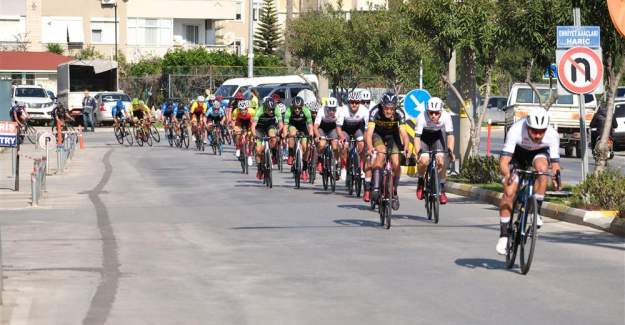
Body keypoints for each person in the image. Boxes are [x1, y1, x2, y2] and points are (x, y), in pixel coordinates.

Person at [496, 108, 561, 255]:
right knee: (509, 191)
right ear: (527, 126)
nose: (538, 135)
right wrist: (507, 175)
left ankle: (535, 211)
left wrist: (557, 179)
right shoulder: (516, 130)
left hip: (538, 154)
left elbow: (555, 164)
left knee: (543, 169)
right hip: (517, 155)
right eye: (534, 131)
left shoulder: (552, 135)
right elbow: (504, 161)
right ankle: (504, 236)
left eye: (541, 131)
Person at [365, 92, 410, 210]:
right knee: (381, 153)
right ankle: (375, 187)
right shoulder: (375, 111)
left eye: (392, 109)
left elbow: (404, 134)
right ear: (382, 106)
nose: (389, 111)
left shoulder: (400, 113)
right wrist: (370, 147)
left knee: (396, 163)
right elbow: (369, 133)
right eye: (386, 108)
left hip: (392, 136)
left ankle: (394, 192)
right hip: (377, 135)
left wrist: (406, 146)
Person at [414, 97, 455, 205]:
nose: (433, 116)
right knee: (424, 161)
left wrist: (450, 151)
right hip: (424, 137)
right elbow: (417, 137)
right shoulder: (421, 117)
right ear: (427, 111)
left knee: (441, 161)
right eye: (431, 113)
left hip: (437, 137)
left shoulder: (446, 116)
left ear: (441, 112)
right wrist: (418, 152)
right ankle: (421, 181)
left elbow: (450, 135)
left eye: (436, 113)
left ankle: (441, 189)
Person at [338, 91, 369, 184]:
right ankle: (344, 167)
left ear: (360, 103)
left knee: (362, 144)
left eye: (357, 102)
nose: (354, 104)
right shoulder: (343, 109)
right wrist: (341, 137)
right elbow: (338, 127)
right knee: (344, 145)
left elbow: (367, 128)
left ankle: (362, 167)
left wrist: (366, 138)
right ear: (348, 102)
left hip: (358, 129)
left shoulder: (364, 110)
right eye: (352, 102)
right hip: (345, 129)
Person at [283, 96, 314, 182]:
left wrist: (311, 135)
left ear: (302, 107)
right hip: (293, 126)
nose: (296, 110)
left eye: (299, 108)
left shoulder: (306, 110)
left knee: (305, 147)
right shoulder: (289, 110)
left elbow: (310, 125)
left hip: (303, 128)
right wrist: (285, 134)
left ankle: (304, 168)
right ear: (292, 106)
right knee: (292, 134)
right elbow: (285, 125)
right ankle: (291, 153)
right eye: (295, 108)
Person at [252, 97, 283, 180]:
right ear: (265, 107)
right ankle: (259, 169)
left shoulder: (276, 109)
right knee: (258, 150)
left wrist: (279, 132)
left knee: (273, 137)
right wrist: (254, 135)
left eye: (272, 110)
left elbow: (280, 124)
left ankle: (273, 153)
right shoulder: (260, 110)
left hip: (270, 126)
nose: (271, 111)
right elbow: (253, 125)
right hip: (260, 128)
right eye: (269, 110)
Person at [314, 97, 341, 179]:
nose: (332, 111)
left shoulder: (340, 111)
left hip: (333, 128)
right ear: (326, 108)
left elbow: (340, 126)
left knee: (335, 145)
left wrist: (340, 136)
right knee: (322, 144)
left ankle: (336, 165)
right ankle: (319, 158)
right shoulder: (321, 110)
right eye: (330, 109)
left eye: (333, 109)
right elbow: (315, 126)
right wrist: (318, 136)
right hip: (322, 128)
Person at [232, 99, 256, 166]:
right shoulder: (235, 111)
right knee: (237, 134)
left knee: (251, 139)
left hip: (249, 123)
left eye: (244, 109)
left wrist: (253, 130)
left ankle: (250, 155)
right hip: (240, 122)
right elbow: (233, 121)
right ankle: (238, 148)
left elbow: (254, 122)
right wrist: (234, 128)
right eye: (241, 109)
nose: (242, 111)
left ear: (247, 108)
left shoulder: (252, 111)